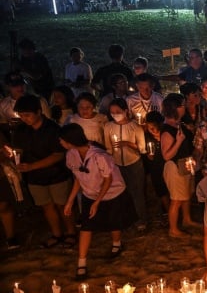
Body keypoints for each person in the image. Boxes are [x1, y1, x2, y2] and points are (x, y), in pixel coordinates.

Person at [60, 124, 136, 281]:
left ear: (70, 141)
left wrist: (97, 202)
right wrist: (70, 200)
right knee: (86, 226)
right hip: (90, 194)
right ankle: (81, 263)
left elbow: (108, 180)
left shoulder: (100, 156)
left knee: (113, 222)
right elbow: (78, 178)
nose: (60, 142)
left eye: (62, 140)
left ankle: (116, 243)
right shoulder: (71, 155)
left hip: (112, 193)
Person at [12, 94, 76, 248]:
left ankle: (71, 232)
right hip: (35, 177)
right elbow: (19, 149)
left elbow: (58, 155)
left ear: (39, 112)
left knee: (62, 205)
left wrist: (32, 166)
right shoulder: (20, 130)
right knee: (46, 205)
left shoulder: (53, 129)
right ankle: (56, 234)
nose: (24, 119)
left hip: (56, 174)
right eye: (21, 115)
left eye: (27, 115)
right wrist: (15, 156)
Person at [103, 98, 147, 231]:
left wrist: (127, 143)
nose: (115, 114)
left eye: (118, 111)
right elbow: (108, 148)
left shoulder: (135, 127)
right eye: (112, 112)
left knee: (137, 192)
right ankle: (127, 219)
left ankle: (142, 219)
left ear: (125, 111)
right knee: (122, 193)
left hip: (134, 163)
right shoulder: (108, 127)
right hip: (116, 164)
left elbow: (142, 148)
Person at [159, 94, 200, 237]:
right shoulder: (167, 130)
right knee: (176, 199)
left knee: (186, 194)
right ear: (176, 108)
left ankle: (187, 219)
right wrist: (178, 141)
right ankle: (173, 229)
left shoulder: (178, 124)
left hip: (184, 165)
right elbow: (166, 155)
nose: (185, 107)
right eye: (183, 105)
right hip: (174, 168)